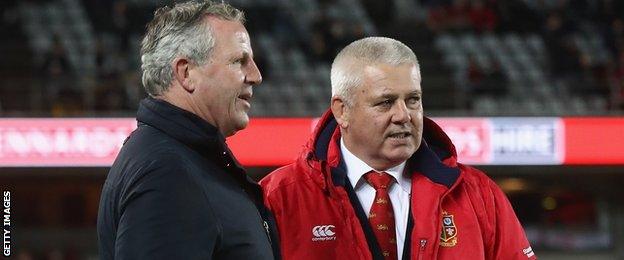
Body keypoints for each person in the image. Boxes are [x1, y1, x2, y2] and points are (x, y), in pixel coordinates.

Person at [260, 37, 536, 260]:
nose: (404, 115)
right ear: (341, 111)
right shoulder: (279, 197)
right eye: (385, 102)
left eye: (413, 100)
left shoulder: (479, 196)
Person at [97, 1, 279, 259]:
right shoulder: (166, 171)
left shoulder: (186, 160)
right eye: (239, 61)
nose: (256, 75)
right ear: (186, 73)